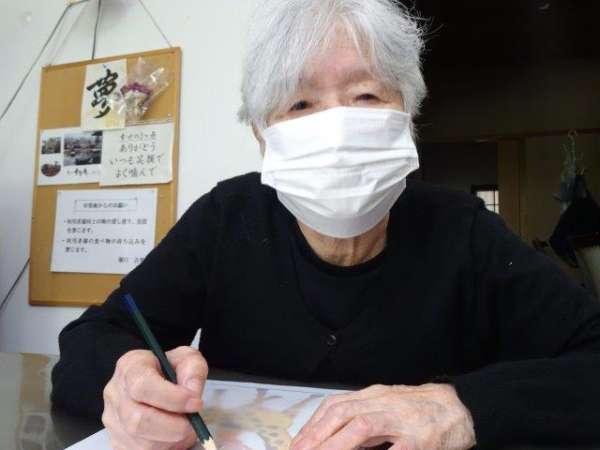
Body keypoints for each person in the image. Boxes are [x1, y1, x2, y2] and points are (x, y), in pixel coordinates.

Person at [51, 1, 600, 449]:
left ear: (407, 117)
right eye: (300, 104)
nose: (336, 127)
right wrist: (126, 380)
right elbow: (89, 343)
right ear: (262, 137)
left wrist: (461, 406)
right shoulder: (226, 218)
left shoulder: (464, 233)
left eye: (366, 96)